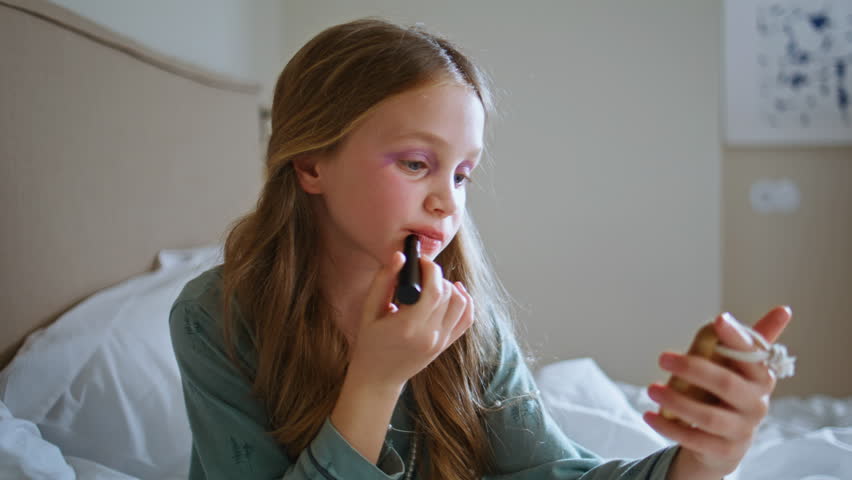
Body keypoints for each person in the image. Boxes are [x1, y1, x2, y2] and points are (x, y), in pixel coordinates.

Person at [169, 17, 792, 479]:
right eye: (416, 163)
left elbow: (553, 473)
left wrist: (706, 459)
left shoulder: (465, 325)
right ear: (310, 165)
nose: (448, 202)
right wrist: (375, 381)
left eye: (462, 174)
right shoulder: (214, 317)